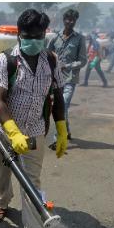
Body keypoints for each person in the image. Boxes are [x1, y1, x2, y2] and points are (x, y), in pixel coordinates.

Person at [0, 9, 68, 228]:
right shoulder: (4, 61)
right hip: (4, 132)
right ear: (19, 35)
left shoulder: (51, 61)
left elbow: (58, 95)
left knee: (32, 182)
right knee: (3, 171)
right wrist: (13, 133)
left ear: (45, 35)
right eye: (28, 36)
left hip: (35, 131)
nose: (33, 40)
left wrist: (61, 129)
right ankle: (2, 202)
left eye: (38, 36)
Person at [48, 9, 87, 140]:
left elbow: (83, 61)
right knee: (62, 107)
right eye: (67, 19)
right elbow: (47, 54)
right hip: (56, 78)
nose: (70, 22)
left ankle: (58, 137)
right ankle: (67, 130)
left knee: (62, 105)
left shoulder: (80, 39)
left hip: (70, 78)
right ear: (63, 20)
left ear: (75, 21)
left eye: (73, 20)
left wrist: (68, 66)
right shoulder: (54, 37)